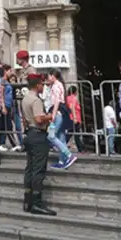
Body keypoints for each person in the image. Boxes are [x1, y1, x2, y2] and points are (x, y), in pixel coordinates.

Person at [21, 73, 56, 215]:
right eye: (42, 84)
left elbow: (25, 119)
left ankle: (27, 200)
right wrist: (49, 116)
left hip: (29, 134)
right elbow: (39, 119)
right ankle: (36, 203)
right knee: (38, 169)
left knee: (29, 168)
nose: (43, 86)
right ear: (37, 85)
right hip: (38, 134)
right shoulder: (35, 100)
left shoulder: (25, 98)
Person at [45, 70, 76, 169]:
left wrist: (53, 114)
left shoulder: (55, 86)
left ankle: (69, 155)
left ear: (53, 76)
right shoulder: (60, 85)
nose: (48, 79)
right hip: (61, 112)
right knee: (61, 137)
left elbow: (57, 101)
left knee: (51, 136)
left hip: (57, 112)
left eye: (49, 76)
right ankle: (62, 161)